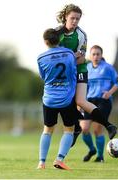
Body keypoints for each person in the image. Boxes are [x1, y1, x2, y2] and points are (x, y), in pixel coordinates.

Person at [55, 4, 117, 146]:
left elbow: (81, 59)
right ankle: (77, 128)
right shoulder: (56, 33)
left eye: (78, 19)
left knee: (81, 101)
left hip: (80, 70)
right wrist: (71, 55)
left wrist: (67, 57)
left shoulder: (82, 35)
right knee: (66, 103)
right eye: (72, 18)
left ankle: (109, 126)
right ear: (65, 17)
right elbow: (54, 56)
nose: (75, 21)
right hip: (64, 73)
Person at [37, 28, 83, 170]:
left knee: (47, 130)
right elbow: (72, 70)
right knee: (69, 130)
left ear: (45, 42)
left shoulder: (41, 58)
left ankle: (41, 163)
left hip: (49, 99)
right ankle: (59, 159)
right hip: (66, 98)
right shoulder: (69, 54)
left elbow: (44, 77)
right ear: (59, 39)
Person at [80, 45, 118, 162]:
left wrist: (109, 93)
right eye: (93, 54)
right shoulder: (86, 68)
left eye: (98, 54)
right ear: (90, 55)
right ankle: (92, 149)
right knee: (84, 128)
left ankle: (100, 156)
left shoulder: (108, 68)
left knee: (97, 129)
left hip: (103, 101)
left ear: (101, 55)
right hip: (89, 101)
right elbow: (82, 86)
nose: (96, 56)